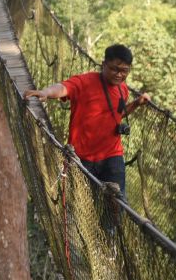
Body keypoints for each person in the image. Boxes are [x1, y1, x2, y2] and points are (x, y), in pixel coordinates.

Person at [26, 44, 152, 201]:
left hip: (112, 155)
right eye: (114, 69)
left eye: (124, 71)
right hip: (81, 157)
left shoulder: (123, 89)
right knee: (80, 204)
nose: (119, 75)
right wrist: (45, 92)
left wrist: (136, 104)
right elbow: (64, 87)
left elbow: (117, 114)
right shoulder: (84, 82)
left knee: (117, 204)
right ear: (103, 64)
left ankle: (111, 227)